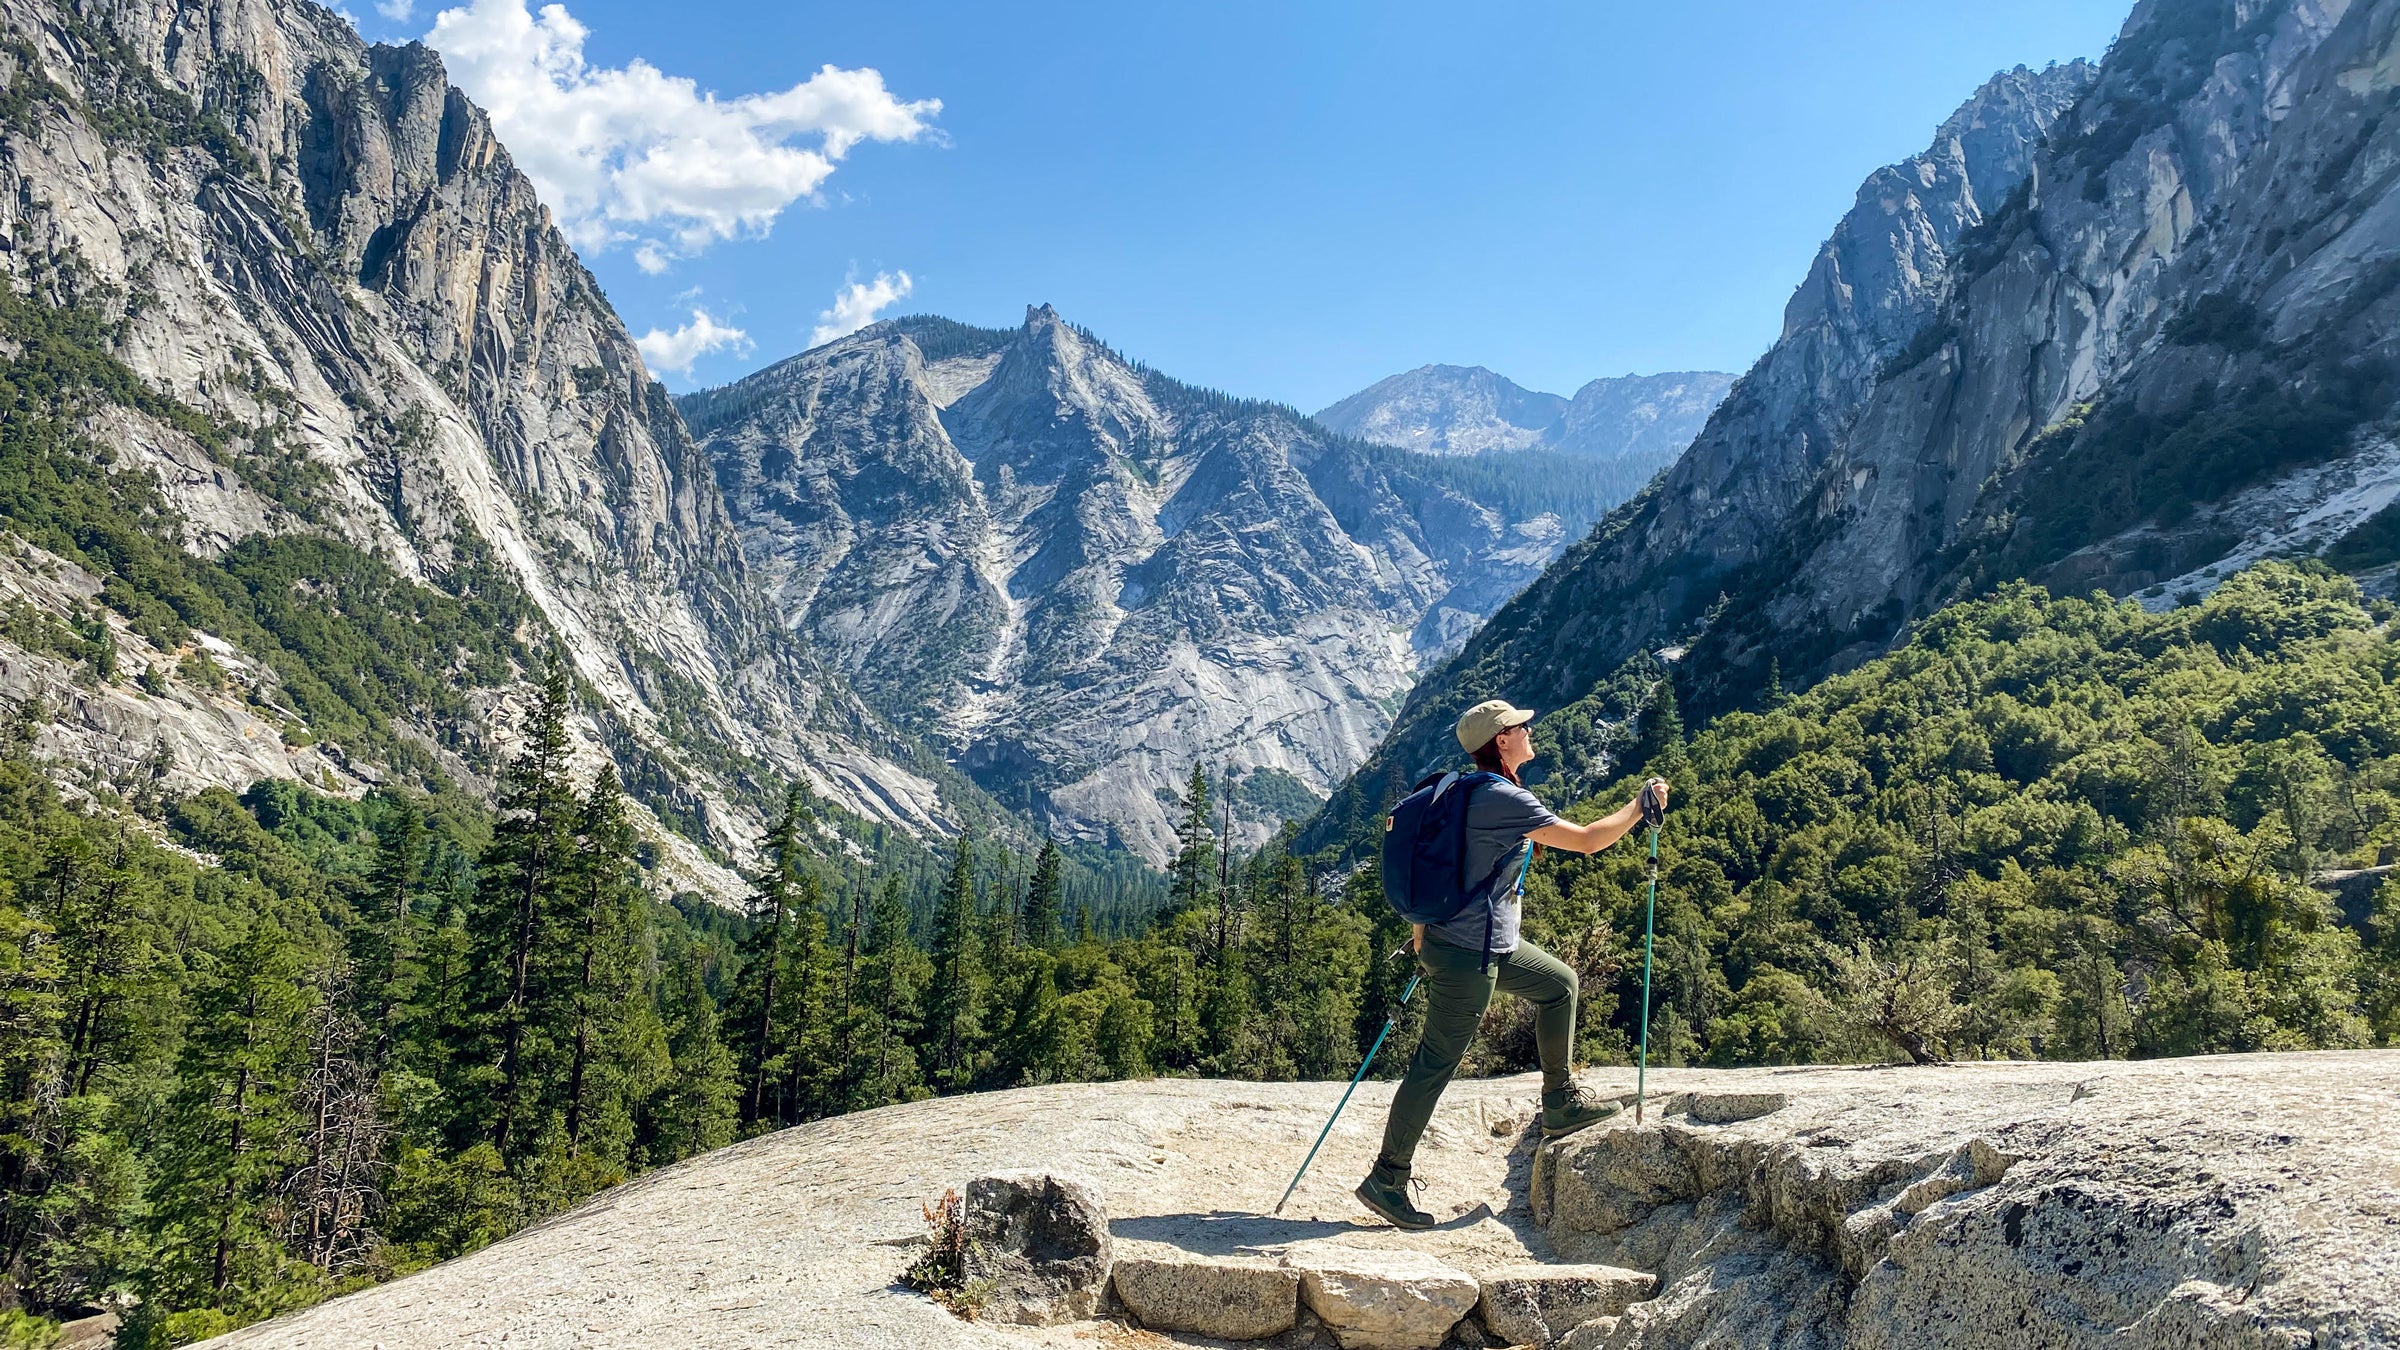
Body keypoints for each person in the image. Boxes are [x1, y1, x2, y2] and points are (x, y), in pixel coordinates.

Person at [1355, 698, 1667, 1231]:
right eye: (1523, 726)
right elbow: (1590, 842)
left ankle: (1559, 1100)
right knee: (1435, 1064)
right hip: (1468, 956)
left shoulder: (1463, 787)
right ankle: (1388, 1178)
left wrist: (1421, 934)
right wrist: (1639, 806)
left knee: (1560, 985)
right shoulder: (1500, 797)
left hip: (1473, 943)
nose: (1530, 729)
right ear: (1501, 740)